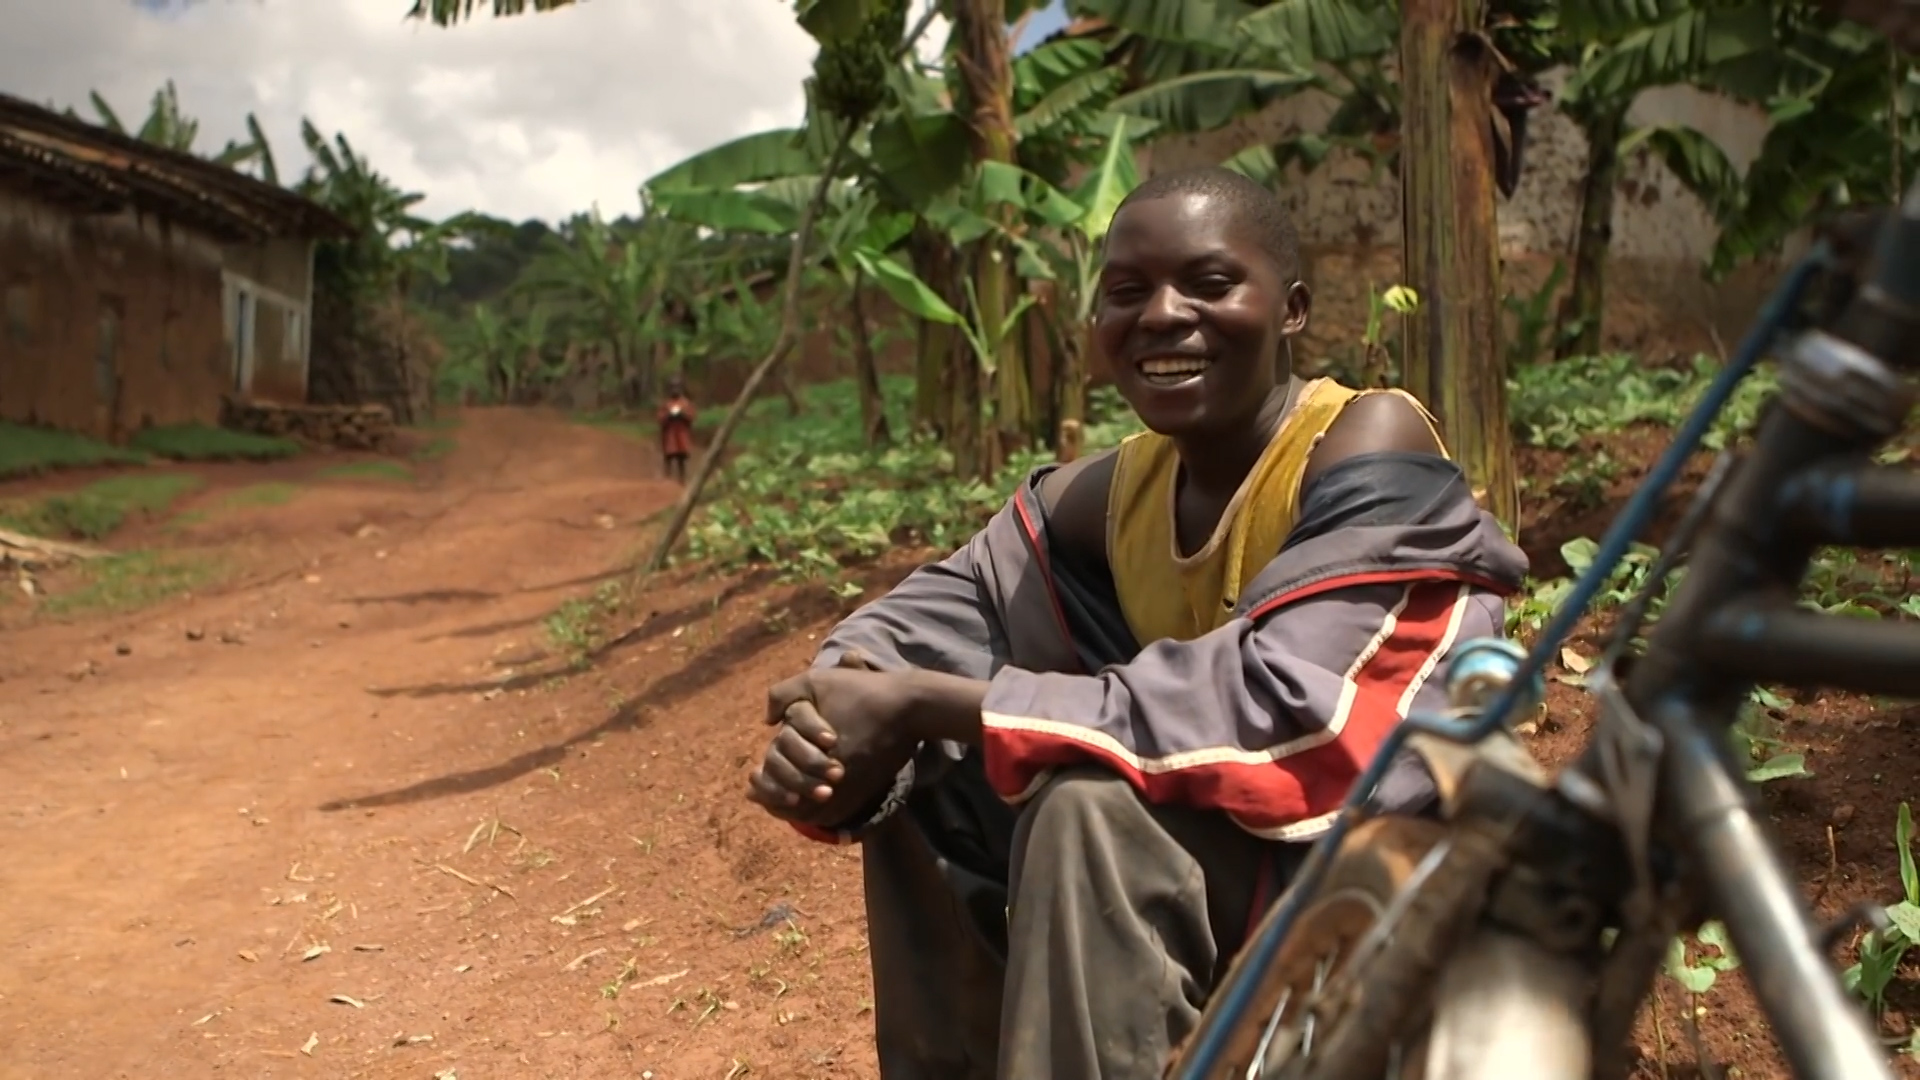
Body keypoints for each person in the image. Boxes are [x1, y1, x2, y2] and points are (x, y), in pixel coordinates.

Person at [744, 167, 1530, 1080]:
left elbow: (1291, 714)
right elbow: (940, 607)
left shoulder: (1365, 442)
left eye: (1209, 284)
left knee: (1086, 811)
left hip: (1396, 888)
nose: (1161, 315)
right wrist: (849, 706)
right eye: (1127, 292)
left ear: (1293, 309)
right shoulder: (1117, 491)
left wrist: (925, 701)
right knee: (936, 776)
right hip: (1251, 873)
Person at [657, 378, 697, 483]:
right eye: (673, 388)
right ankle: (667, 476)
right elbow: (660, 418)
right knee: (669, 455)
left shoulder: (686, 403)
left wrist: (682, 415)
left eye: (677, 387)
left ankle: (682, 478)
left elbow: (691, 416)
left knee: (681, 457)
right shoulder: (666, 404)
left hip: (682, 434)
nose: (675, 390)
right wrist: (668, 416)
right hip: (670, 434)